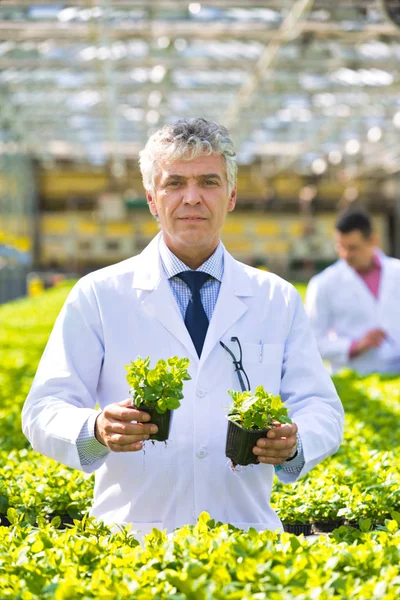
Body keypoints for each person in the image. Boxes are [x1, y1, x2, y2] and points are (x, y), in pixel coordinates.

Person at [22, 118, 343, 535]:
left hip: (246, 538)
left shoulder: (276, 298)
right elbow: (44, 408)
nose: (192, 198)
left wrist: (297, 441)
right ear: (152, 198)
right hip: (131, 540)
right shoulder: (98, 295)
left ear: (230, 196)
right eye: (175, 183)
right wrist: (95, 429)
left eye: (208, 182)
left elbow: (322, 407)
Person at [305, 207, 400, 375]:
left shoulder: (396, 272)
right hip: (350, 377)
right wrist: (355, 346)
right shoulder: (323, 283)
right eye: (341, 247)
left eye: (353, 248)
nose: (346, 255)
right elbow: (310, 341)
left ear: (372, 240)